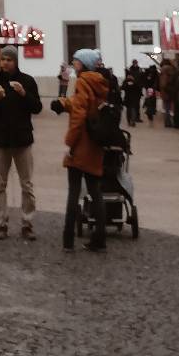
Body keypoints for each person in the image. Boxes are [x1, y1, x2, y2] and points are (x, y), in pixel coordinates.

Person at [53, 47, 110, 253]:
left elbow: (79, 115)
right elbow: (84, 106)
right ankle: (100, 238)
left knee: (73, 192)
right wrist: (64, 103)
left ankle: (68, 239)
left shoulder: (82, 82)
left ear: (83, 63)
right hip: (94, 144)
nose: (73, 63)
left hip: (81, 145)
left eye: (76, 60)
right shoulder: (99, 82)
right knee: (96, 192)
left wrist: (69, 144)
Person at [0, 46, 42, 239]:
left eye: (9, 59)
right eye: (2, 59)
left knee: (27, 184)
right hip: (0, 139)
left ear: (16, 61)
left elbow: (37, 108)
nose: (5, 62)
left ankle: (27, 223)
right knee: (0, 184)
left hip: (22, 139)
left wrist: (24, 93)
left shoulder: (27, 81)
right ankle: (1, 224)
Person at [159, 57, 176, 128]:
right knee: (168, 108)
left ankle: (167, 122)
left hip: (164, 91)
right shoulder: (168, 69)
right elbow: (165, 82)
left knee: (167, 108)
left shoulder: (162, 70)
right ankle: (168, 122)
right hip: (167, 91)